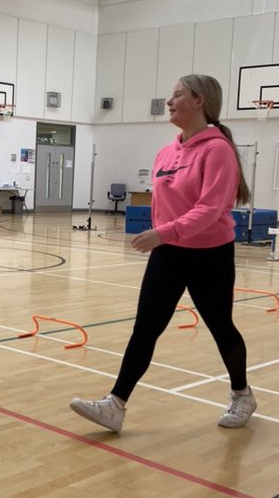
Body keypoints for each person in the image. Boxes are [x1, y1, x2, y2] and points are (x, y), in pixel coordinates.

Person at [70, 75, 257, 432]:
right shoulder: (166, 152)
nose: (169, 102)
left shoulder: (217, 150)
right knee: (145, 328)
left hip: (210, 254)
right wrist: (163, 235)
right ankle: (115, 405)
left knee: (221, 327)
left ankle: (242, 394)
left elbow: (211, 209)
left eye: (177, 95)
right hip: (169, 252)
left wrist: (163, 233)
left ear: (199, 101)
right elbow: (164, 203)